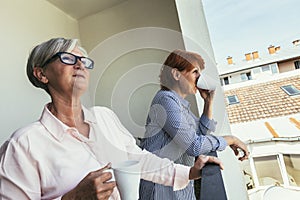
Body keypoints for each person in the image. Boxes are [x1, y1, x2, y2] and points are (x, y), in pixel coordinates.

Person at [0, 38, 224, 200]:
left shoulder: (104, 117)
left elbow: (138, 159)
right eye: (68, 58)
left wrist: (189, 172)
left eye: (84, 61)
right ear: (42, 74)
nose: (80, 65)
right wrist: (73, 199)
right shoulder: (23, 145)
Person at [139, 49, 249, 200]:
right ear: (176, 74)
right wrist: (231, 140)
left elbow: (201, 134)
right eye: (195, 72)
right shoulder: (165, 100)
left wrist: (208, 102)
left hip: (178, 186)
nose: (199, 78)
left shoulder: (180, 105)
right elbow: (194, 146)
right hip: (160, 188)